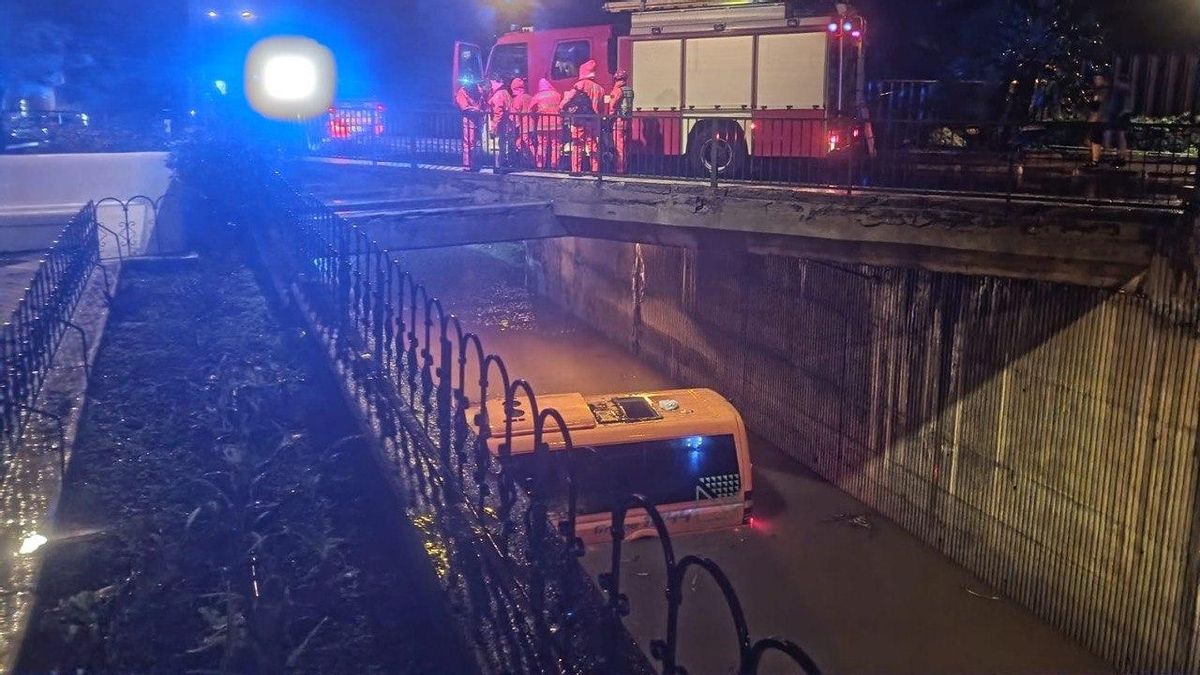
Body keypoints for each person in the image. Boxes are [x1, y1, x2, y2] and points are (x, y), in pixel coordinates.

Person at [560, 60, 606, 176]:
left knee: (577, 143)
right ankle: (595, 170)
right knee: (593, 144)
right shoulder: (600, 88)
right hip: (593, 120)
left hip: (579, 120)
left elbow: (568, 99)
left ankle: (576, 170)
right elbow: (601, 108)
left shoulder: (581, 84)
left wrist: (561, 108)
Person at [1086, 71, 1132, 169]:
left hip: (1105, 118)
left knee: (1099, 138)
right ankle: (1118, 158)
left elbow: (1101, 105)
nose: (1096, 81)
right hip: (1110, 117)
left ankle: (1096, 160)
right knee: (1116, 136)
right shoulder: (1113, 90)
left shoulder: (1108, 90)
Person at [530, 78, 563, 170]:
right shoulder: (557, 95)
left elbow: (531, 110)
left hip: (542, 124)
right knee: (556, 145)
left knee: (542, 145)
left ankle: (540, 165)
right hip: (557, 124)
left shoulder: (537, 96)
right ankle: (554, 165)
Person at [607, 70, 634, 173]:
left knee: (619, 146)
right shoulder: (630, 90)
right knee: (626, 145)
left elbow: (612, 107)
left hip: (618, 121)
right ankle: (626, 167)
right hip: (628, 121)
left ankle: (620, 169)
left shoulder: (617, 90)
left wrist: (608, 119)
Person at [454, 80, 485, 170]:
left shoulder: (476, 90)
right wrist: (477, 110)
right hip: (468, 120)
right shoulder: (461, 92)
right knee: (468, 143)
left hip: (476, 119)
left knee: (474, 143)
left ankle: (473, 163)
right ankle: (467, 165)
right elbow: (464, 108)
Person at [487, 79, 515, 166]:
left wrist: (493, 129)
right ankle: (509, 164)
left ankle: (501, 166)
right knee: (508, 145)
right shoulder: (505, 93)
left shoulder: (497, 96)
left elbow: (498, 114)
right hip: (509, 124)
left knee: (501, 146)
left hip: (502, 126)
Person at [510, 78, 534, 162]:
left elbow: (515, 113)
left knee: (525, 142)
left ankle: (532, 159)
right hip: (533, 123)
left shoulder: (517, 99)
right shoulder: (529, 97)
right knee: (527, 141)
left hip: (523, 124)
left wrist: (516, 125)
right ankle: (531, 160)